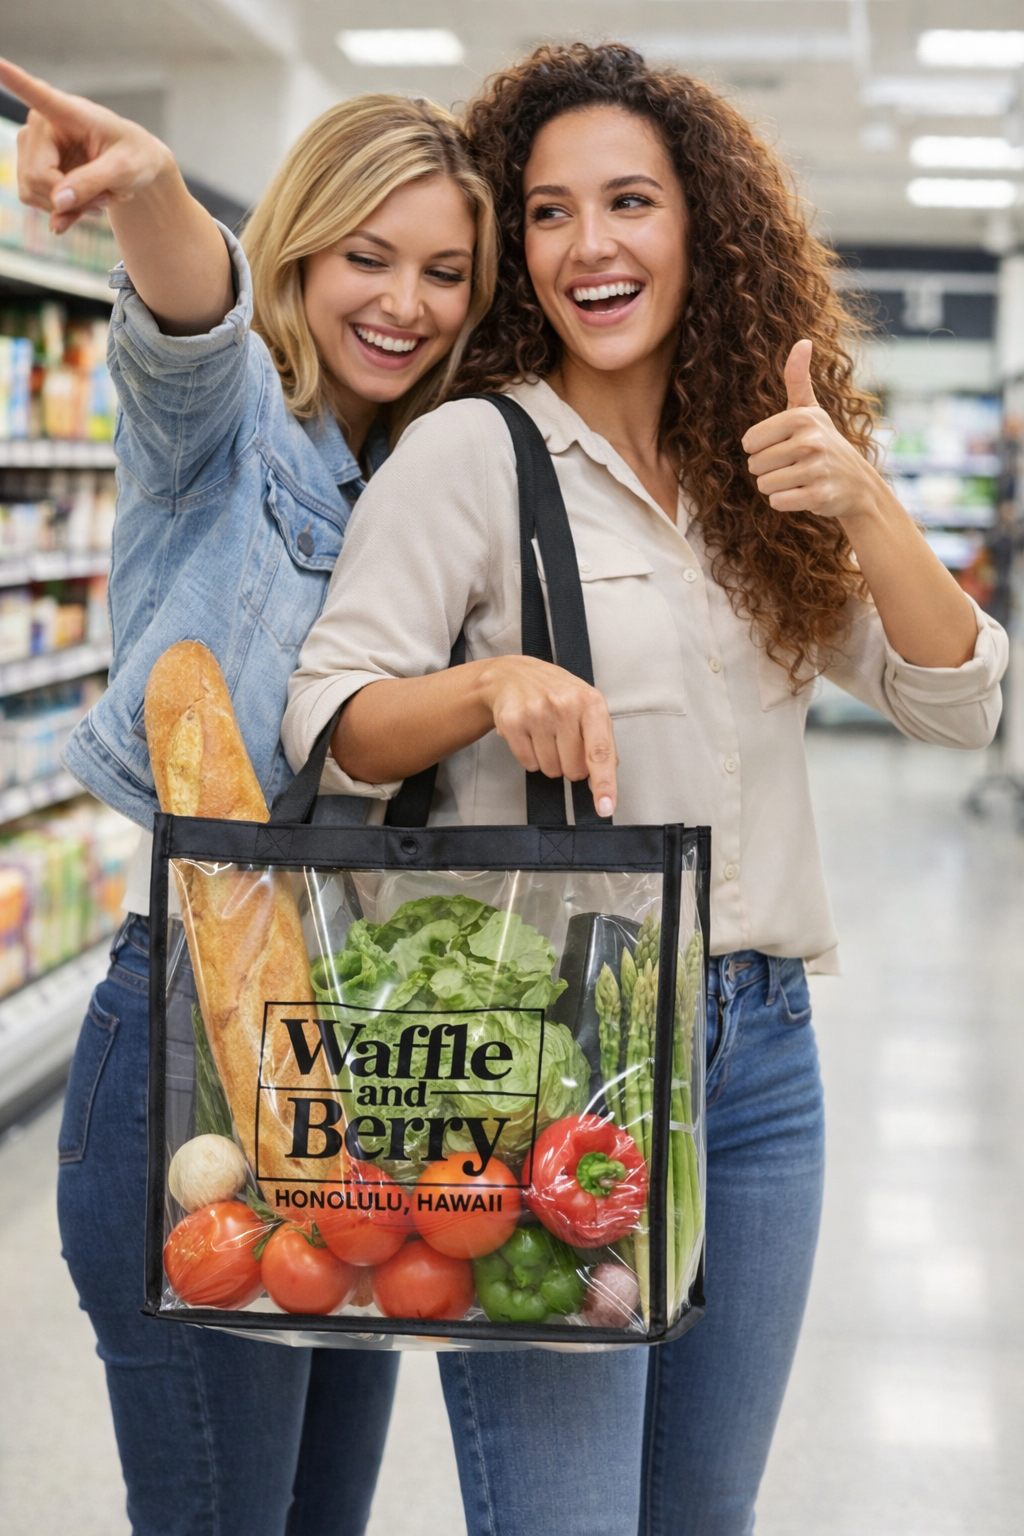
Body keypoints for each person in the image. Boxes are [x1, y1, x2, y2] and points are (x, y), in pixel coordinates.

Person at [282, 42, 1008, 1536]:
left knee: (703, 1517)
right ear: (515, 246)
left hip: (761, 1063)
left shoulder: (763, 472)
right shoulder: (472, 455)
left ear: (706, 228)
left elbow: (958, 699)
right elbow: (332, 722)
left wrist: (864, 499)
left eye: (631, 202)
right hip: (543, 1051)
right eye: (549, 213)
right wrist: (489, 687)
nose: (590, 246)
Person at [0, 57, 495, 1536]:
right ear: (296, 249)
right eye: (367, 256)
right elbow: (185, 323)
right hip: (190, 1038)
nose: (403, 300)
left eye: (444, 272)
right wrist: (154, 197)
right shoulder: (228, 434)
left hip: (370, 1059)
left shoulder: (437, 469)